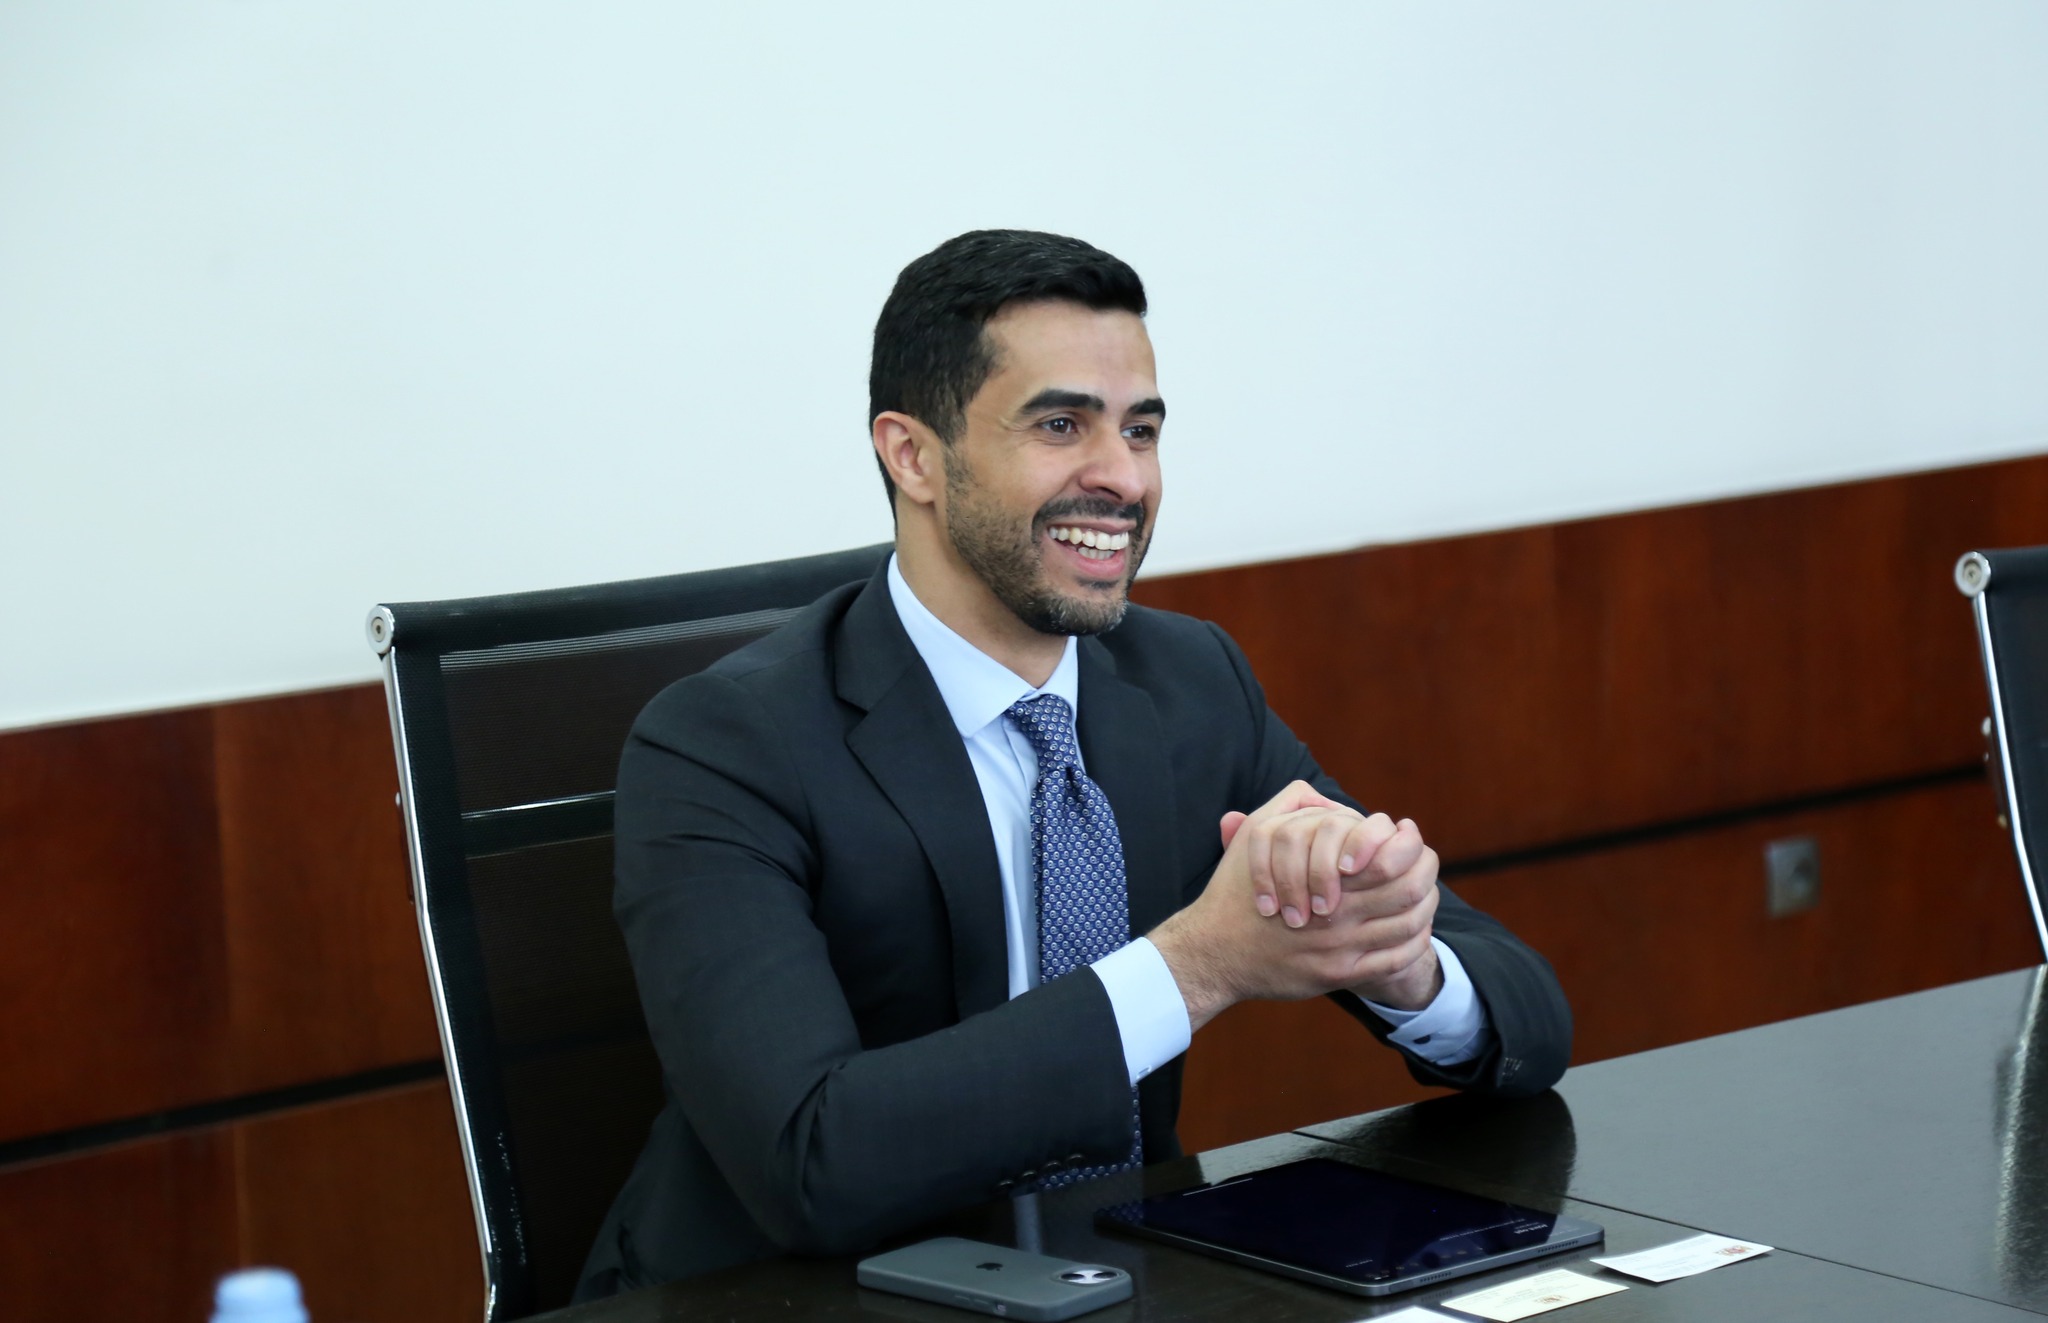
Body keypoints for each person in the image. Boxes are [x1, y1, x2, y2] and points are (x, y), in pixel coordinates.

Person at [576, 230, 1571, 1298]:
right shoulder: (722, 744)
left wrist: (1398, 958)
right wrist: (1197, 966)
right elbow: (810, 1161)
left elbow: (1529, 1019)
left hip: (1101, 1277)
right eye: (1061, 426)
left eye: (1140, 430)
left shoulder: (1189, 680)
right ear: (912, 456)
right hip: (779, 1297)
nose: (1123, 478)